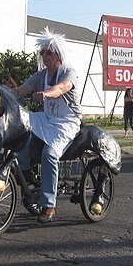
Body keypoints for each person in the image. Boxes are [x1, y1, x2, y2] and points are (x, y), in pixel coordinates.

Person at [13, 28, 82, 224]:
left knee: (50, 154)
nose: (45, 56)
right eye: (42, 52)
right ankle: (25, 175)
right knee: (22, 126)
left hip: (67, 121)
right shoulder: (40, 75)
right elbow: (21, 90)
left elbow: (61, 88)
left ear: (58, 54)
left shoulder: (68, 72)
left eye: (49, 52)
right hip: (47, 117)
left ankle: (49, 205)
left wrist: (44, 94)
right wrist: (3, 94)